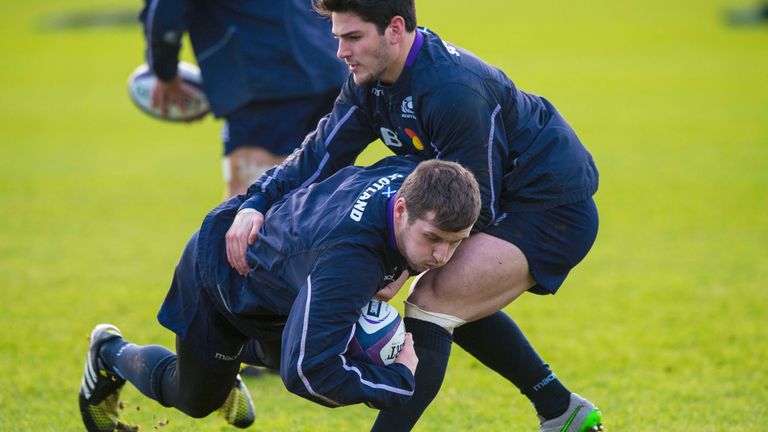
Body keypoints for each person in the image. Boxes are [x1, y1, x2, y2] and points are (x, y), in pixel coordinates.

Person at [224, 1, 604, 430]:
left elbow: (476, 204)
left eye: (353, 38)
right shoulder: (369, 81)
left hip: (550, 206)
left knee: (434, 300)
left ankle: (557, 410)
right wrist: (255, 202)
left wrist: (396, 267)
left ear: (395, 28)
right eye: (337, 38)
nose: (341, 52)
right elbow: (319, 155)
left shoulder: (452, 90)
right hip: (494, 198)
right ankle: (559, 408)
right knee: (450, 292)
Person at [78, 156, 482, 432]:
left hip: (283, 285)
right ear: (400, 210)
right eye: (432, 239)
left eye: (456, 242)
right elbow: (308, 373)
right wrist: (396, 379)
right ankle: (108, 352)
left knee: (302, 342)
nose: (442, 256)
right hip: (220, 282)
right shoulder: (349, 263)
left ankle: (224, 369)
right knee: (195, 398)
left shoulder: (412, 178)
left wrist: (409, 262)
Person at [139, 0, 348, 196]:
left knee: (252, 201)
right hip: (326, 67)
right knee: (316, 197)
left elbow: (166, 13)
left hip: (267, 80)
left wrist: (164, 71)